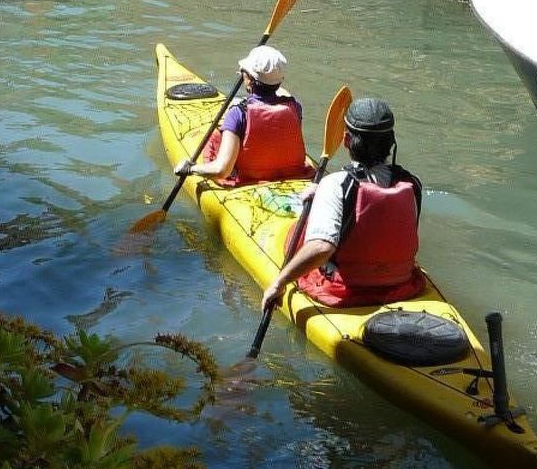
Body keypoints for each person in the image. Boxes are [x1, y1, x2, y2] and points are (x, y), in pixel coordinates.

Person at [261, 97, 425, 312]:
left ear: (346, 140)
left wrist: (278, 283)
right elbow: (378, 215)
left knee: (295, 235)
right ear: (390, 142)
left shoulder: (336, 184)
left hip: (346, 288)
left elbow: (322, 247)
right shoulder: (412, 184)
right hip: (402, 282)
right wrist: (322, 194)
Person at [174, 46, 307, 187]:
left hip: (249, 180)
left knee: (215, 139)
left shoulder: (238, 113)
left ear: (249, 79)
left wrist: (190, 168)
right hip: (293, 175)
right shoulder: (295, 107)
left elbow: (221, 170)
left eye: (243, 72)